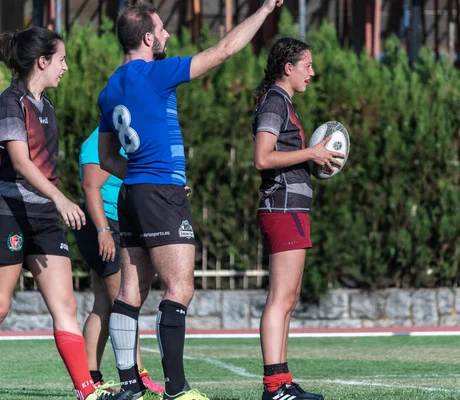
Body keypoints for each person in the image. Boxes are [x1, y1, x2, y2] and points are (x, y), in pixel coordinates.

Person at [97, 1, 283, 399]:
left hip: (132, 194)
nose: (166, 36)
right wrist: (265, 10)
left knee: (131, 293)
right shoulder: (155, 73)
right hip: (161, 193)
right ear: (147, 38)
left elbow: (108, 158)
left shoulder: (110, 88)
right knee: (179, 288)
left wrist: (141, 179)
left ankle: (130, 386)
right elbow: (226, 50)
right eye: (161, 30)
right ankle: (177, 390)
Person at [0, 27, 131, 400]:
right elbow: (21, 163)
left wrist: (54, 203)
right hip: (8, 212)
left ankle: (86, 390)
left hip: (42, 217)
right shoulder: (11, 101)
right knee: (1, 304)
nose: (66, 67)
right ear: (42, 61)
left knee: (67, 305)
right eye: (61, 59)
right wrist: (62, 199)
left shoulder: (47, 108)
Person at [252, 37, 344, 400]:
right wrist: (312, 153)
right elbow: (262, 157)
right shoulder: (275, 101)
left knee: (289, 297)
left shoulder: (283, 102)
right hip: (282, 207)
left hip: (292, 208)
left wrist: (312, 159)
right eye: (307, 66)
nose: (312, 73)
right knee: (280, 298)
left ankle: (283, 380)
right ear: (288, 68)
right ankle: (274, 386)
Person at [74, 127, 164, 393]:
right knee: (124, 304)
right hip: (102, 225)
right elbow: (90, 187)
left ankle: (90, 380)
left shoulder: (125, 137)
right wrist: (103, 231)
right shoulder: (99, 141)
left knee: (103, 304)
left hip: (113, 224)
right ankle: (136, 376)